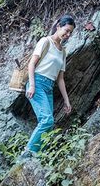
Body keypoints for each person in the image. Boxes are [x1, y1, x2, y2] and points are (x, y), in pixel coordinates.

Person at [20, 15, 75, 159]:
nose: (68, 35)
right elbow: (31, 64)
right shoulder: (45, 41)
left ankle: (36, 157)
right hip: (36, 83)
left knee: (48, 125)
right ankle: (26, 155)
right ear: (58, 26)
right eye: (66, 30)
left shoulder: (62, 52)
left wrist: (66, 101)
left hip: (49, 87)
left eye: (70, 33)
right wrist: (31, 85)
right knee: (47, 120)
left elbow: (60, 79)